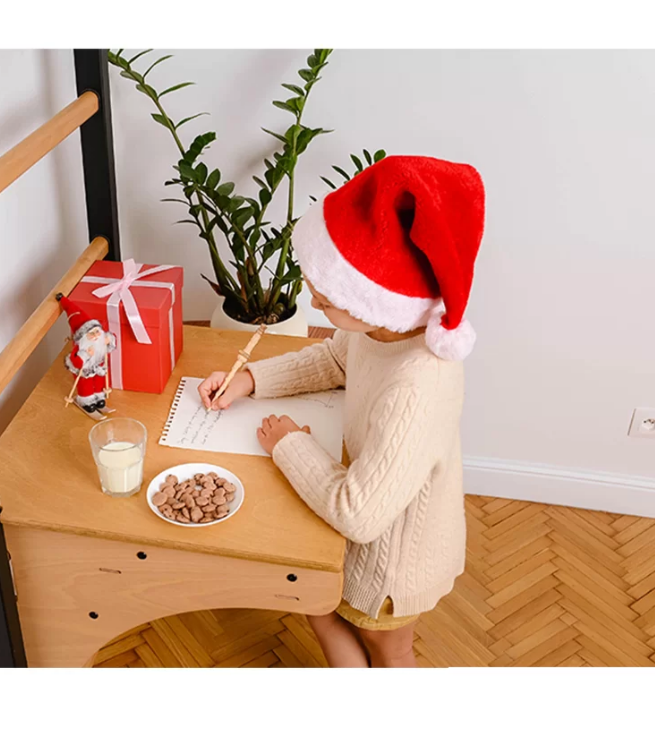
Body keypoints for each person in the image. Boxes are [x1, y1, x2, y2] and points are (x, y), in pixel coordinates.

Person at [198, 155, 485, 667]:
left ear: (375, 299)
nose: (312, 297)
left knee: (387, 650)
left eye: (327, 298)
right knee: (318, 605)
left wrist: (289, 441)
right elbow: (334, 358)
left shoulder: (418, 385)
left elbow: (359, 513)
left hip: (392, 565)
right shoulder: (383, 332)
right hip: (369, 525)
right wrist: (251, 380)